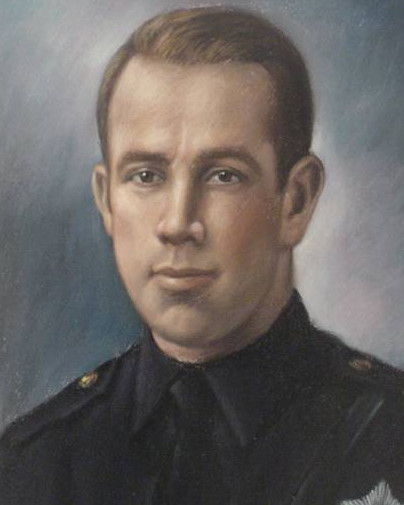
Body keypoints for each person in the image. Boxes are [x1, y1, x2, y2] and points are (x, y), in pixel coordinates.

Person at [1, 7, 404, 505]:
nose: (177, 224)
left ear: (296, 201)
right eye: (146, 175)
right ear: (106, 201)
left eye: (223, 175)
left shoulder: (387, 431)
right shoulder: (34, 461)